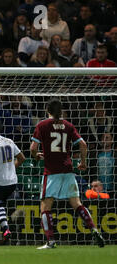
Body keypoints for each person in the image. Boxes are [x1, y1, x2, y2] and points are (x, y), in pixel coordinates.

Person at [30, 99, 105, 249]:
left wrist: (35, 156)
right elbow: (83, 145)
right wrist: (83, 162)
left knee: (45, 207)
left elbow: (33, 148)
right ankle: (94, 229)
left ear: (47, 110)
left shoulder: (42, 125)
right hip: (68, 170)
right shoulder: (69, 126)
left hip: (51, 172)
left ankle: (50, 241)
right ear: (61, 111)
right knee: (77, 204)